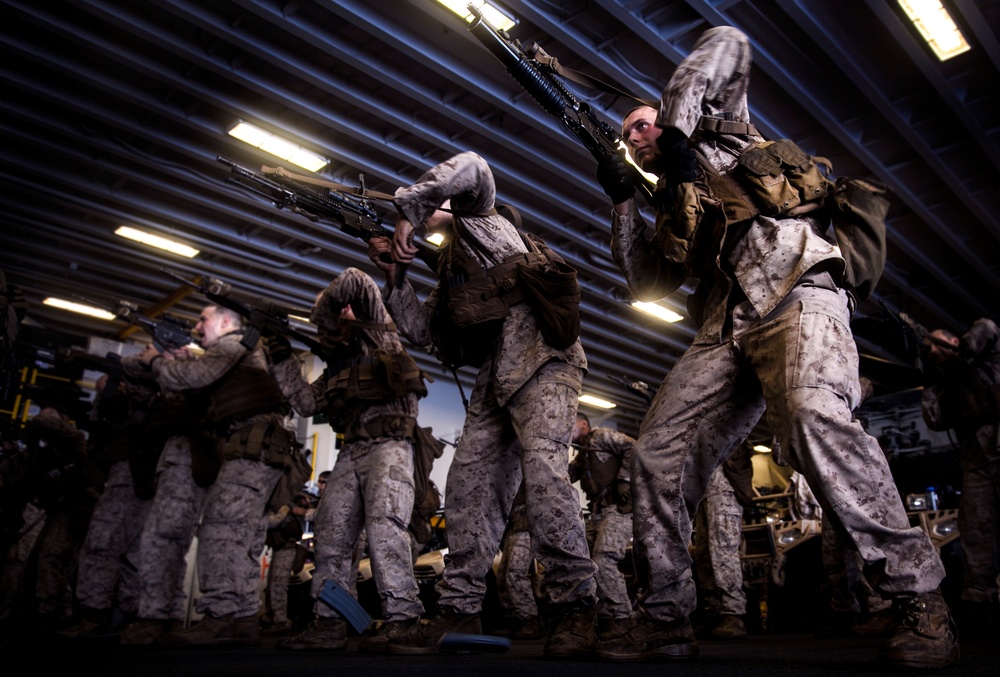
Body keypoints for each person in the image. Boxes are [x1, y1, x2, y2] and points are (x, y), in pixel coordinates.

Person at [592, 25, 957, 668]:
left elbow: (727, 40)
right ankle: (667, 618)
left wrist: (677, 132)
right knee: (655, 456)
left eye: (640, 125)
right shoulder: (671, 199)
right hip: (726, 324)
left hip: (799, 290)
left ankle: (918, 597)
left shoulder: (726, 131)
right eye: (628, 139)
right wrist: (624, 203)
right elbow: (648, 280)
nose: (634, 138)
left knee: (814, 418)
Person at [370, 150, 598, 659]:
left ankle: (575, 606)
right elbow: (424, 332)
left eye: (439, 203)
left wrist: (411, 207)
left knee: (544, 477)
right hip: (496, 378)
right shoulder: (454, 268)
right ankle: (459, 606)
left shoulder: (483, 221)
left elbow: (471, 165)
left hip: (545, 362)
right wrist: (396, 279)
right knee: (467, 486)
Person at [269, 268, 430, 653]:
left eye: (338, 314)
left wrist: (324, 313)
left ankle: (404, 619)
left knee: (385, 529)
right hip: (352, 449)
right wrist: (279, 356)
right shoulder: (337, 369)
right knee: (331, 534)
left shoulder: (379, 330)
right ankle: (329, 621)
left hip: (390, 444)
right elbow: (305, 402)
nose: (333, 323)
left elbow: (357, 279)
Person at [130, 303, 294, 647]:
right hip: (253, 444)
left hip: (252, 443)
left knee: (221, 528)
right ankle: (244, 617)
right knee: (243, 533)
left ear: (224, 322)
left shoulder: (234, 344)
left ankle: (220, 615)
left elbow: (195, 377)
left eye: (203, 318)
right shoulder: (237, 351)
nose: (196, 325)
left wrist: (156, 362)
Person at [63, 371, 157, 638]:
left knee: (102, 545)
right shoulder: (137, 403)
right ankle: (128, 617)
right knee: (132, 553)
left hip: (129, 478)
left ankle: (95, 614)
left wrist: (114, 387)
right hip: (136, 478)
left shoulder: (141, 401)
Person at [921, 318, 1000, 633]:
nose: (932, 352)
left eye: (936, 345)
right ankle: (981, 603)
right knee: (976, 529)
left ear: (954, 342)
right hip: (975, 458)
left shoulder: (987, 355)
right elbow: (935, 421)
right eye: (928, 350)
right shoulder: (948, 382)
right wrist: (930, 384)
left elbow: (987, 327)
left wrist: (964, 352)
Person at [568, 412, 635, 635]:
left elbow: (632, 448)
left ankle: (623, 618)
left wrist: (624, 480)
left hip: (616, 508)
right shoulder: (582, 455)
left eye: (571, 425)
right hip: (597, 511)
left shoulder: (602, 437)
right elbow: (566, 475)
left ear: (584, 424)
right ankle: (606, 620)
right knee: (586, 565)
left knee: (603, 561)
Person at [691, 443, 753, 640]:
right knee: (703, 555)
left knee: (723, 552)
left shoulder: (726, 416)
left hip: (724, 488)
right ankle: (714, 612)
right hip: (703, 491)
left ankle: (733, 614)